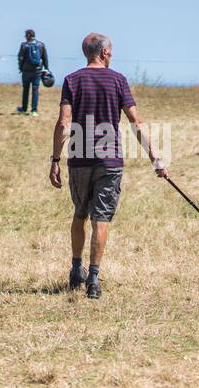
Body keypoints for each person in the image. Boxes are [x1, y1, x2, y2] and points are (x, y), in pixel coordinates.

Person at [50, 33, 167, 299]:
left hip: (79, 159)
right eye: (111, 51)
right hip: (109, 161)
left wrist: (55, 160)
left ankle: (75, 268)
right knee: (100, 218)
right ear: (103, 52)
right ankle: (93, 278)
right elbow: (136, 122)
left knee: (80, 214)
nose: (112, 55)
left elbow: (63, 123)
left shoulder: (71, 80)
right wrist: (155, 158)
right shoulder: (118, 80)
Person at [17, 29, 50, 116]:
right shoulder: (41, 45)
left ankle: (24, 110)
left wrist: (20, 68)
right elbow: (45, 58)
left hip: (26, 71)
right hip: (37, 71)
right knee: (35, 90)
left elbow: (20, 58)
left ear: (28, 35)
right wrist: (46, 69)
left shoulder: (24, 45)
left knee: (26, 90)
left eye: (25, 35)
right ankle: (34, 111)